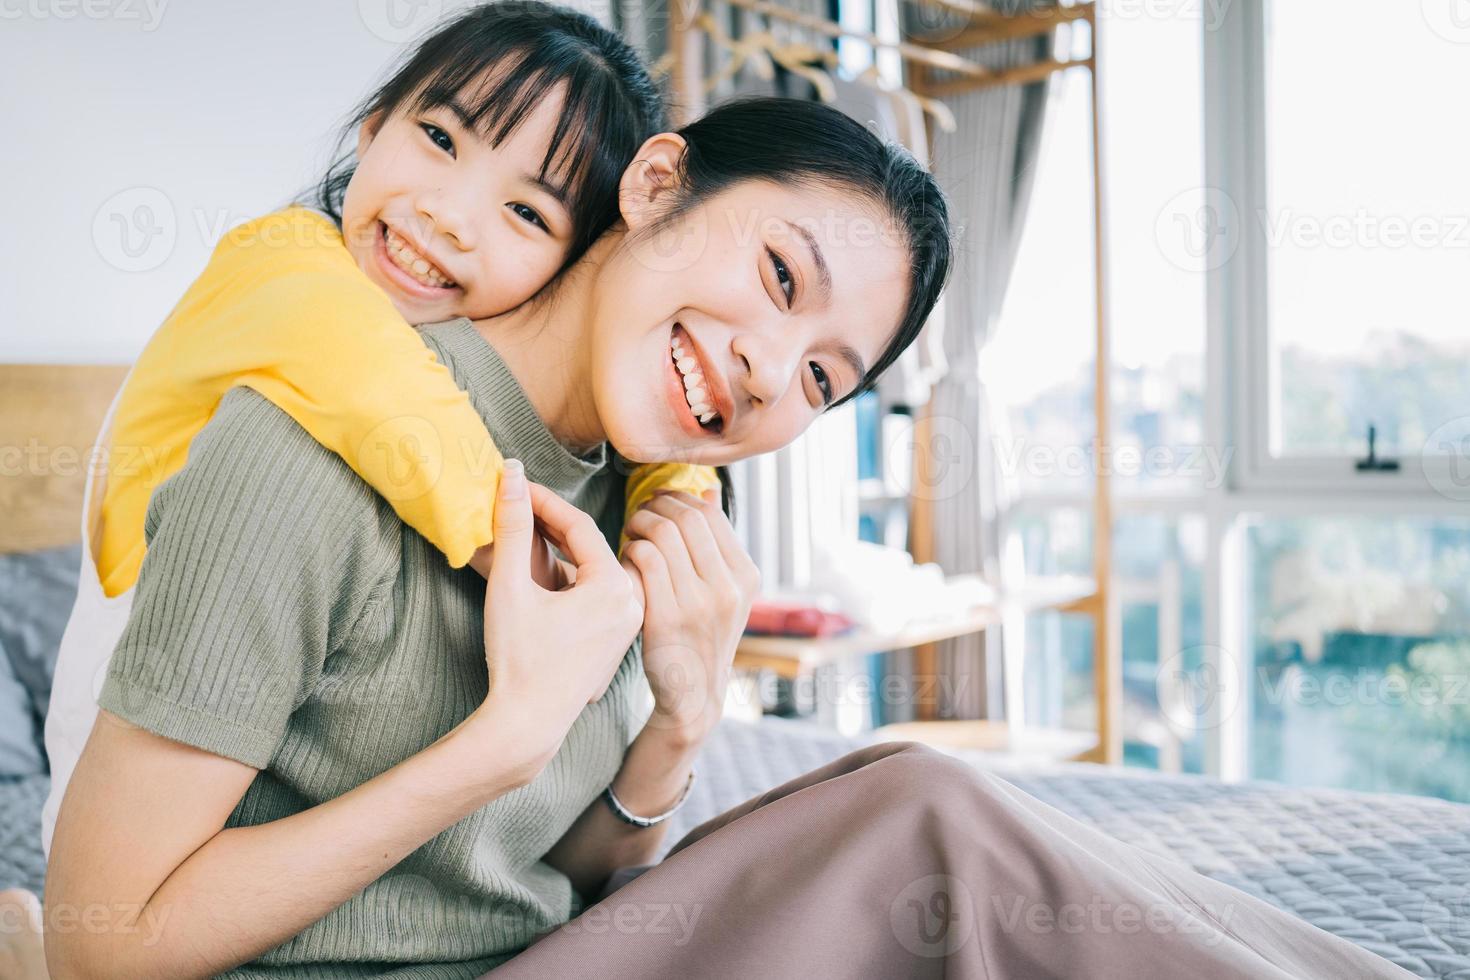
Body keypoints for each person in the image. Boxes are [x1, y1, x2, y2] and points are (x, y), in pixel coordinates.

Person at [43, 93, 1412, 980]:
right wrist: (501, 741)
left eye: (820, 376)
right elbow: (100, 945)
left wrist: (678, 726)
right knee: (922, 817)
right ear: (653, 184)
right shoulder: (305, 442)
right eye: (774, 278)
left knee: (901, 810)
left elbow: (545, 877)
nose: (767, 373)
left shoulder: (627, 504)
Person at [39, 0, 719, 860]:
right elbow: (393, 402)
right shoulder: (281, 266)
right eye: (439, 139)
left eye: (527, 214)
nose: (446, 214)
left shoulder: (471, 381)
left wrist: (683, 490)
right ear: (372, 128)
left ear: (572, 268)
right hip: (133, 729)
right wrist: (531, 562)